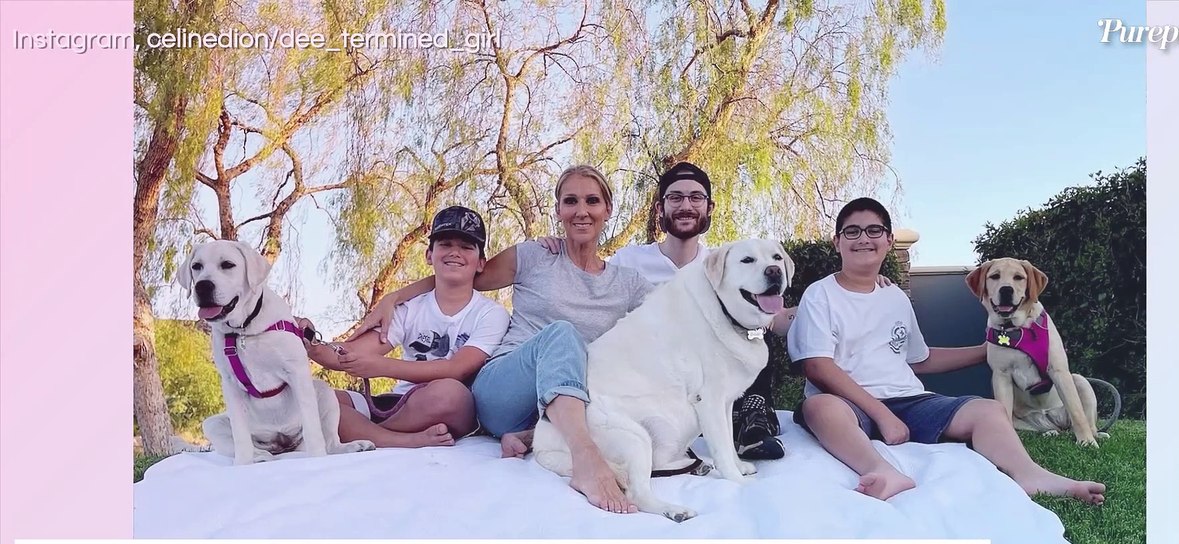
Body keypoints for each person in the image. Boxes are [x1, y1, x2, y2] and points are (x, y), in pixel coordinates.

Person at [538, 161, 894, 460]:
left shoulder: (728, 263)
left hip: (713, 370)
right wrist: (555, 247)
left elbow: (773, 318)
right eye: (675, 198)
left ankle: (751, 418)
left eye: (696, 197)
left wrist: (841, 291)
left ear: (710, 208)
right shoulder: (630, 261)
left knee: (749, 338)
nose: (686, 205)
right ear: (660, 208)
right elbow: (597, 302)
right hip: (660, 377)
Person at [350, 166, 652, 514]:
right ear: (558, 210)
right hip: (504, 391)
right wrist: (395, 297)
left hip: (567, 402)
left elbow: (676, 313)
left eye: (592, 201)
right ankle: (586, 459)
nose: (581, 210)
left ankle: (529, 437)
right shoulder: (534, 256)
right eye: (570, 201)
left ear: (608, 209)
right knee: (562, 333)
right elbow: (461, 273)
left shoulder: (628, 284)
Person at [787, 197, 1106, 505]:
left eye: (874, 231)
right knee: (820, 407)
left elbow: (920, 359)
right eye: (852, 231)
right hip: (849, 405)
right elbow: (817, 367)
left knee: (988, 410)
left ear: (888, 241)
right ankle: (881, 471)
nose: (863, 239)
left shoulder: (894, 296)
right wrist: (882, 415)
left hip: (910, 401)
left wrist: (988, 350)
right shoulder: (820, 294)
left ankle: (1030, 475)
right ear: (837, 242)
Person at [304, 206, 510, 449]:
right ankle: (399, 439)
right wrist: (311, 344)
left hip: (451, 405)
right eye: (445, 244)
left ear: (480, 263)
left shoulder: (491, 314)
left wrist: (380, 367)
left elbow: (457, 369)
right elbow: (350, 354)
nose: (455, 252)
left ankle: (367, 432)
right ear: (428, 255)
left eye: (466, 247)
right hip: (397, 402)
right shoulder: (408, 308)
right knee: (318, 400)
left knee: (449, 394)